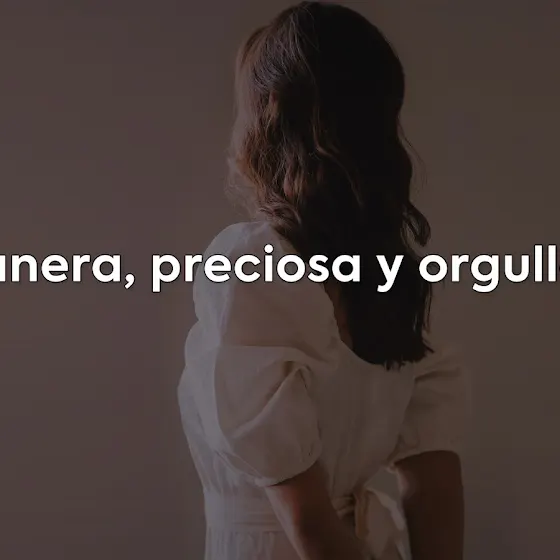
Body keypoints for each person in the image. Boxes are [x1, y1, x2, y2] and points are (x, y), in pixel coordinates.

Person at [177, 2, 469, 559]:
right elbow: (434, 488)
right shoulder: (397, 281)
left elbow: (310, 528)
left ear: (267, 118)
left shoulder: (251, 264)